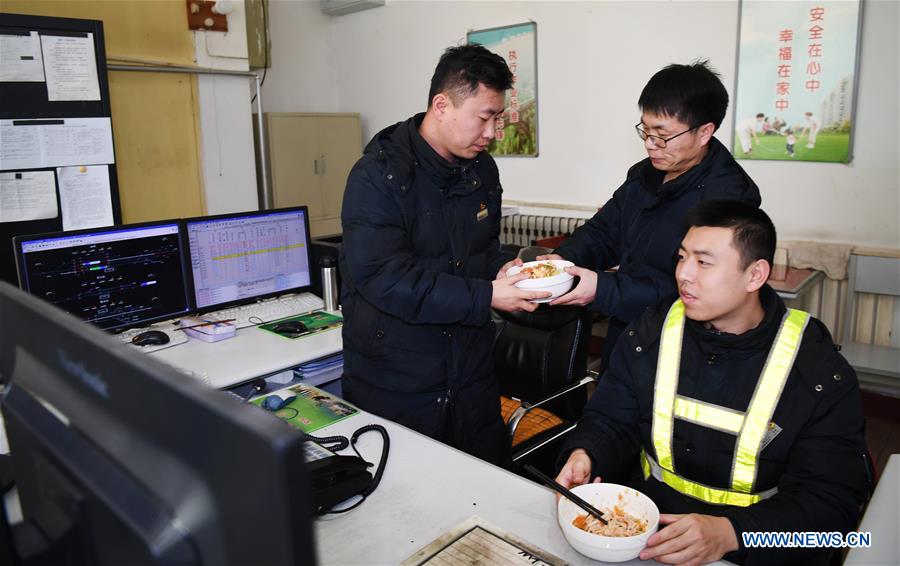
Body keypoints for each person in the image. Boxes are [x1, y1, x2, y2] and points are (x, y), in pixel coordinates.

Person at [555, 200, 870, 565]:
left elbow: (831, 509)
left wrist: (733, 533)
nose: (683, 274)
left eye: (703, 262)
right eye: (681, 258)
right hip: (646, 536)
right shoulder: (651, 333)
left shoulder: (817, 372)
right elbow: (611, 419)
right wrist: (586, 453)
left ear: (755, 275)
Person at [339, 45, 546, 467]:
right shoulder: (378, 176)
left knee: (488, 486)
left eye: (498, 118)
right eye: (484, 117)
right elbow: (387, 279)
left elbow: (479, 251)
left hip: (471, 375)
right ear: (441, 105)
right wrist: (488, 295)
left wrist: (503, 268)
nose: (492, 133)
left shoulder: (481, 169)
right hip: (399, 382)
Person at [501, 61, 761, 371]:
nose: (650, 145)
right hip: (630, 330)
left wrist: (602, 290)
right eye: (645, 131)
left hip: (684, 347)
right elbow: (604, 232)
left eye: (662, 135)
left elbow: (697, 288)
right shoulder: (644, 175)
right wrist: (562, 261)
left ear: (704, 132)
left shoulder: (729, 197)